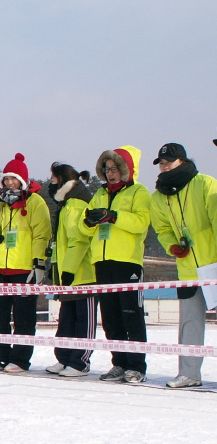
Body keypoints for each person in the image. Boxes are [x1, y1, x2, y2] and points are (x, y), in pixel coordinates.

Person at [80, 146, 151, 383]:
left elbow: (141, 223)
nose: (110, 173)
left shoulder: (139, 192)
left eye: (115, 168)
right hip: (102, 261)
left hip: (127, 261)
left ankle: (137, 366)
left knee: (131, 315)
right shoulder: (99, 193)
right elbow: (85, 226)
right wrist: (88, 222)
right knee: (110, 317)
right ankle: (119, 363)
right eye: (107, 169)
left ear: (126, 169)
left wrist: (114, 216)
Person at [149, 143, 217, 387]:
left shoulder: (205, 184)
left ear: (182, 161)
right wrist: (171, 246)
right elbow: (162, 229)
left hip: (214, 266)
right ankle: (189, 373)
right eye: (162, 163)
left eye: (169, 161)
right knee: (189, 322)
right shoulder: (158, 197)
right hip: (187, 268)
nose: (165, 166)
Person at [0, 153, 51, 373]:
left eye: (14, 179)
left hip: (24, 267)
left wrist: (38, 263)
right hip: (1, 266)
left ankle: (20, 359)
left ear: (22, 180)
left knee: (23, 317)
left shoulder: (35, 202)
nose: (10, 183)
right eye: (6, 179)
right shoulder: (0, 202)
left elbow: (42, 234)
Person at [45, 163, 98, 377]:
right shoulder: (65, 205)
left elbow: (80, 240)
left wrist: (68, 270)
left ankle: (80, 362)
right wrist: (56, 270)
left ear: (63, 180)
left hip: (82, 275)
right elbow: (63, 243)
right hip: (67, 276)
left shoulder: (75, 205)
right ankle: (64, 357)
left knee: (83, 320)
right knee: (66, 319)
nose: (50, 181)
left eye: (53, 177)